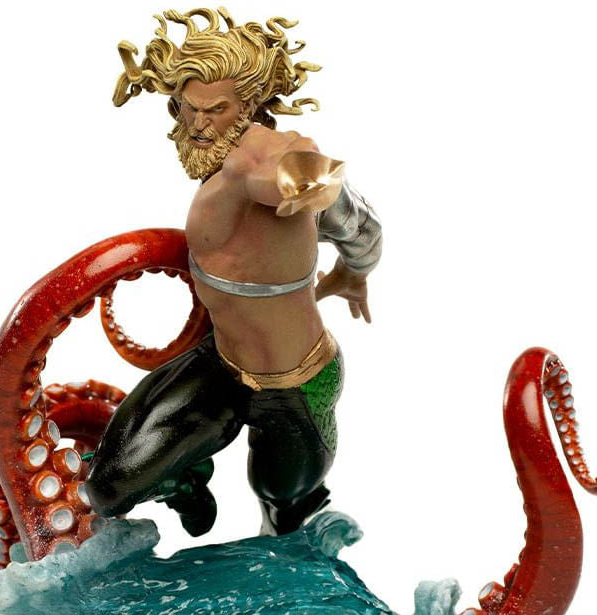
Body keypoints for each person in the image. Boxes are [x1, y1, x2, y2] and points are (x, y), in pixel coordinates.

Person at [86, 8, 382, 536]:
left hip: (297, 384)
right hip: (221, 366)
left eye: (216, 110)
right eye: (189, 108)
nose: (199, 125)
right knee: (110, 484)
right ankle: (186, 481)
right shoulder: (215, 161)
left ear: (248, 105)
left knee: (286, 510)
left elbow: (338, 204)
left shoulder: (259, 158)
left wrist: (349, 259)